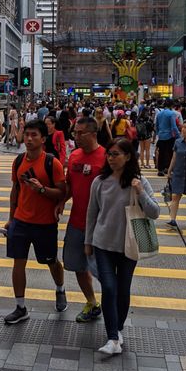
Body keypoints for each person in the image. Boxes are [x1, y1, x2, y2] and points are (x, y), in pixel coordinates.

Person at [84, 138, 159, 355]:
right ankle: (112, 338)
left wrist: (140, 192)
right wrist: (88, 242)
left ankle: (117, 329)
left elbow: (154, 213)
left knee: (123, 289)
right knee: (108, 287)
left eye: (116, 154)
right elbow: (92, 214)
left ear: (127, 157)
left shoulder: (139, 181)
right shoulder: (100, 181)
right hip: (103, 244)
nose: (111, 158)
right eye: (109, 154)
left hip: (130, 245)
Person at [3, 120, 67, 325]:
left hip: (45, 223)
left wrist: (41, 189)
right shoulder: (18, 161)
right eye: (27, 134)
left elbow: (62, 193)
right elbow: (15, 190)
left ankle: (60, 289)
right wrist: (11, 219)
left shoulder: (52, 163)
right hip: (21, 222)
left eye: (34, 135)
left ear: (43, 139)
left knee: (51, 261)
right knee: (18, 263)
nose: (29, 139)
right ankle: (20, 307)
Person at [56, 117, 105, 323]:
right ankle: (92, 303)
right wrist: (62, 201)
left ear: (93, 134)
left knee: (105, 271)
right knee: (77, 266)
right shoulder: (74, 156)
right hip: (77, 223)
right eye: (74, 132)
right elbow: (69, 185)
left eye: (80, 133)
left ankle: (112, 307)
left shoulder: (106, 157)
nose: (75, 137)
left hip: (102, 227)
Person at [166, 120, 186, 230]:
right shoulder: (178, 142)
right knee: (175, 196)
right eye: (182, 127)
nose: (183, 129)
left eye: (185, 127)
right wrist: (170, 170)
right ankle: (172, 220)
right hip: (179, 172)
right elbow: (174, 157)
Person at [154, 99, 181, 176]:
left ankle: (160, 170)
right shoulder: (171, 114)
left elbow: (156, 126)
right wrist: (178, 136)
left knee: (161, 153)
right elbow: (173, 127)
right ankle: (167, 168)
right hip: (169, 136)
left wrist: (158, 134)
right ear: (172, 106)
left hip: (161, 136)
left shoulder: (159, 114)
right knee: (170, 153)